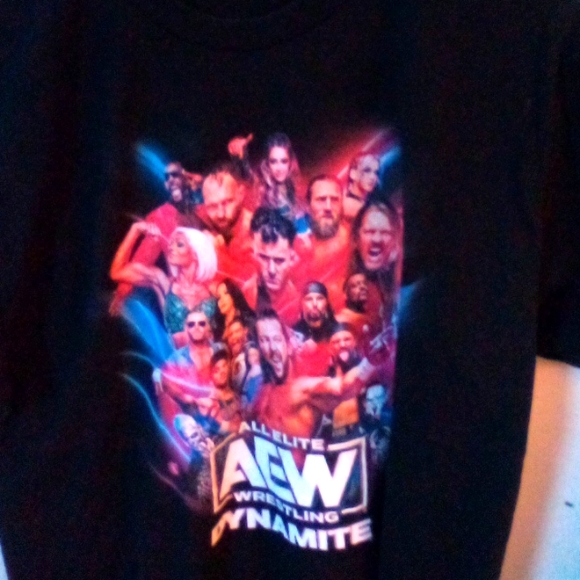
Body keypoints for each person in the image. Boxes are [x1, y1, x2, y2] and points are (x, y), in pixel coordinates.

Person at [250, 309, 380, 440]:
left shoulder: (303, 388)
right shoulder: (261, 389)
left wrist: (370, 363)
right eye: (264, 340)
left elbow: (341, 388)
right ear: (259, 347)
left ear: (288, 345)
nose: (272, 347)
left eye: (277, 339)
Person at [109, 161, 204, 314]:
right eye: (166, 177)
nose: (170, 180)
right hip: (179, 298)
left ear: (185, 177)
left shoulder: (203, 208)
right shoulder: (161, 216)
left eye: (175, 175)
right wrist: (122, 292)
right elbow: (143, 257)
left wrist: (202, 183)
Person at [110, 222, 217, 337]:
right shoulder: (162, 281)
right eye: (171, 243)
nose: (171, 248)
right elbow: (117, 272)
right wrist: (135, 229)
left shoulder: (211, 290)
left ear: (195, 254)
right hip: (169, 348)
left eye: (179, 244)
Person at [228, 132, 308, 231]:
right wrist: (239, 157)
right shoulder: (261, 182)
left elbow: (301, 222)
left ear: (290, 162)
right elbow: (245, 175)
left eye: (284, 161)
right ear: (267, 163)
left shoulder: (295, 185)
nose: (279, 168)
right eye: (273, 161)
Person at [294, 175, 352, 307]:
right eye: (321, 200)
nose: (328, 207)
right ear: (307, 205)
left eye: (334, 200)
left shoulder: (354, 241)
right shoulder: (293, 244)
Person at [196, 163, 255, 284]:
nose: (220, 214)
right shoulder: (201, 216)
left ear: (241, 194)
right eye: (212, 206)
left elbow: (250, 285)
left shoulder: (256, 232)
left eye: (227, 202)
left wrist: (217, 254)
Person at [242, 207, 301, 326]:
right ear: (253, 253)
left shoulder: (300, 303)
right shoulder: (244, 295)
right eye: (263, 258)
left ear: (292, 257)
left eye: (279, 260)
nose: (271, 270)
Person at [350, 200, 402, 322]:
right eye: (369, 232)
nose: (377, 239)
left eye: (385, 233)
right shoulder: (341, 283)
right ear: (356, 238)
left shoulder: (399, 286)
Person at [335, 271, 377, 335]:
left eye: (365, 283)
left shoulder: (373, 314)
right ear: (345, 294)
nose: (362, 287)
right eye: (355, 285)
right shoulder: (342, 320)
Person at [343, 153, 381, 222]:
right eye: (367, 171)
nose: (373, 177)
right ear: (353, 174)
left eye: (376, 172)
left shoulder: (366, 200)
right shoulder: (349, 204)